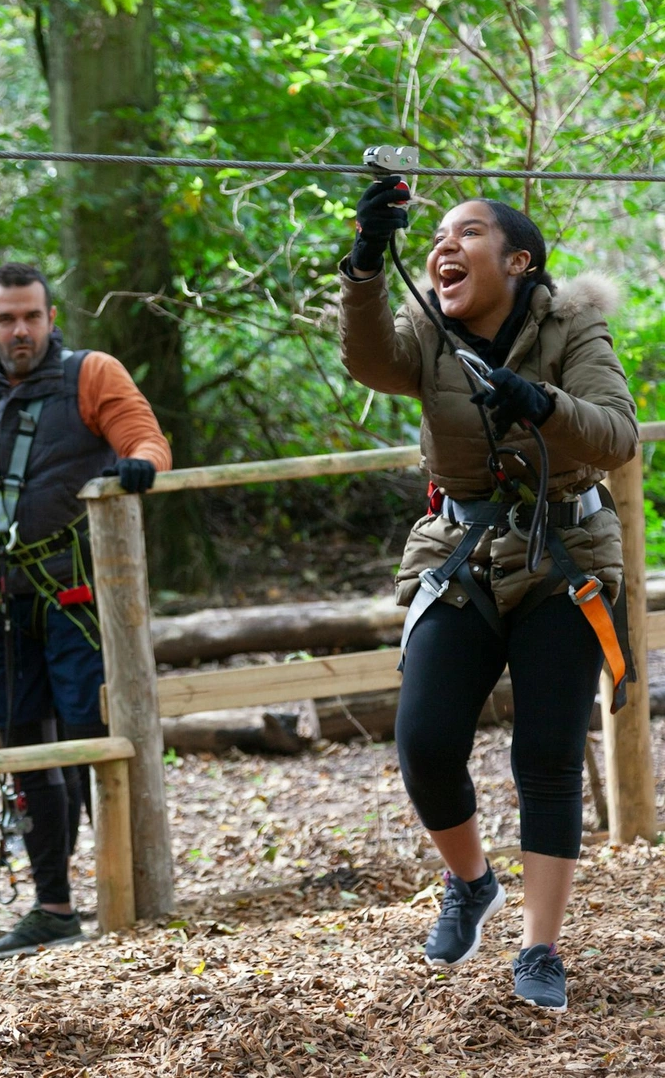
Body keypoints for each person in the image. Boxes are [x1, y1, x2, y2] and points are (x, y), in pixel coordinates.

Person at [340, 179, 638, 1011]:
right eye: (436, 236)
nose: (445, 245)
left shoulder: (573, 324)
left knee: (545, 756)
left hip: (565, 553)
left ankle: (540, 949)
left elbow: (615, 434)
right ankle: (470, 884)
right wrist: (366, 262)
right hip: (463, 550)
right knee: (426, 743)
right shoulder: (427, 330)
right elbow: (367, 360)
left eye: (467, 233)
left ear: (518, 260)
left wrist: (542, 403)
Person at [0, 263, 171, 959]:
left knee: (94, 740)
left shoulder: (93, 374)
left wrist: (140, 466)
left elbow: (146, 440)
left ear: (52, 318)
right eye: (7, 319)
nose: (20, 330)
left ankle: (123, 903)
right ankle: (52, 907)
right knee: (25, 748)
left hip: (78, 599)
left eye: (32, 316)